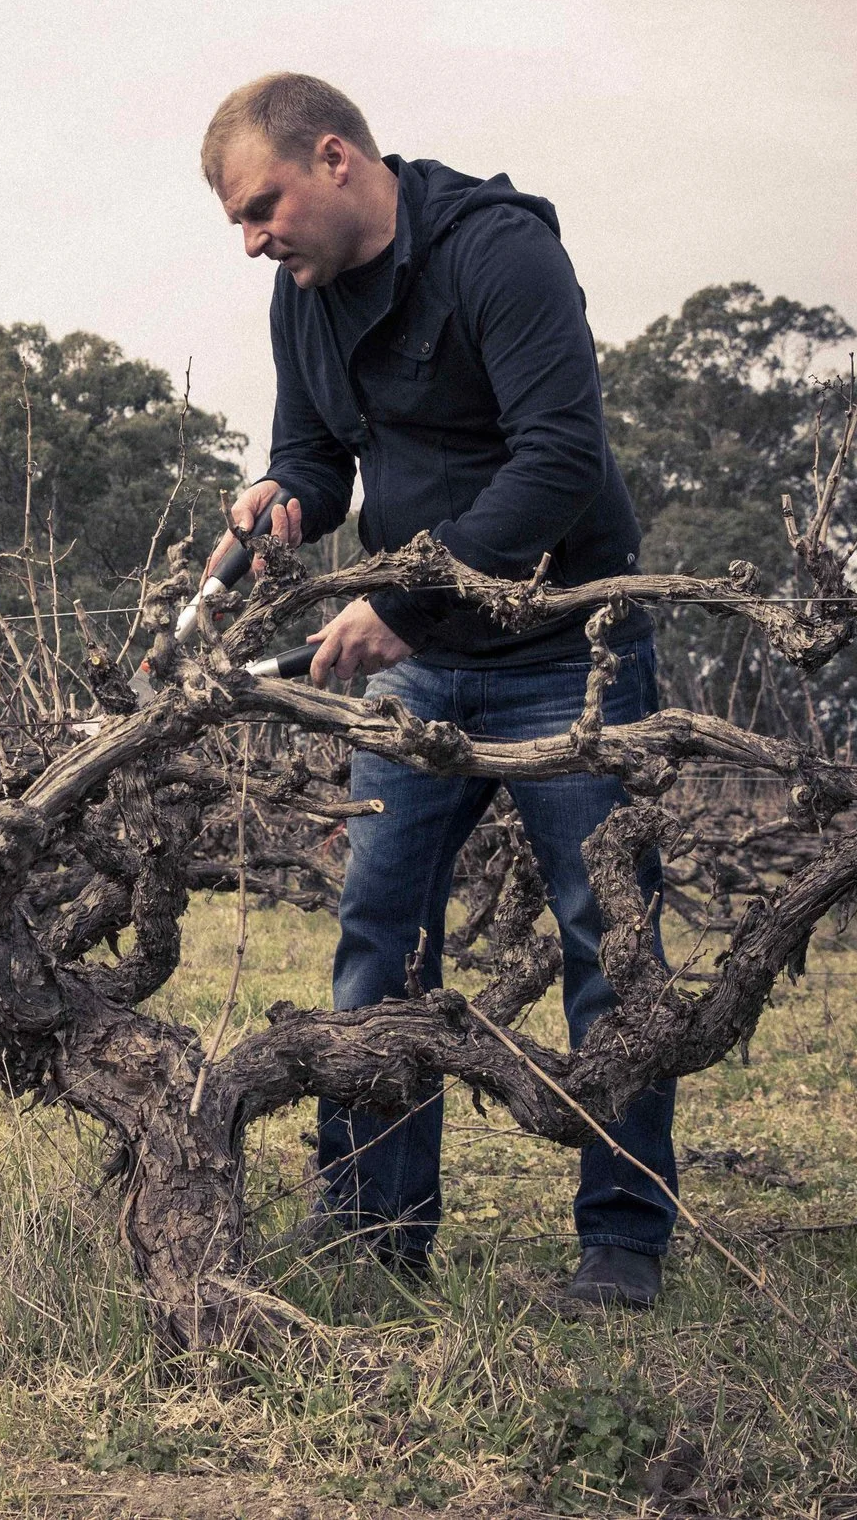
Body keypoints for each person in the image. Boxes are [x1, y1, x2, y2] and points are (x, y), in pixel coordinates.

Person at [201, 72, 675, 1308]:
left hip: (567, 643)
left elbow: (562, 458)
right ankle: (371, 1229)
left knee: (606, 938)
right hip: (413, 655)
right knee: (380, 931)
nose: (255, 239)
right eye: (240, 225)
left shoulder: (498, 252)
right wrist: (281, 499)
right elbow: (318, 451)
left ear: (337, 157)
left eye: (264, 206)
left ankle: (622, 1239)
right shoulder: (297, 295)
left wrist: (402, 604)